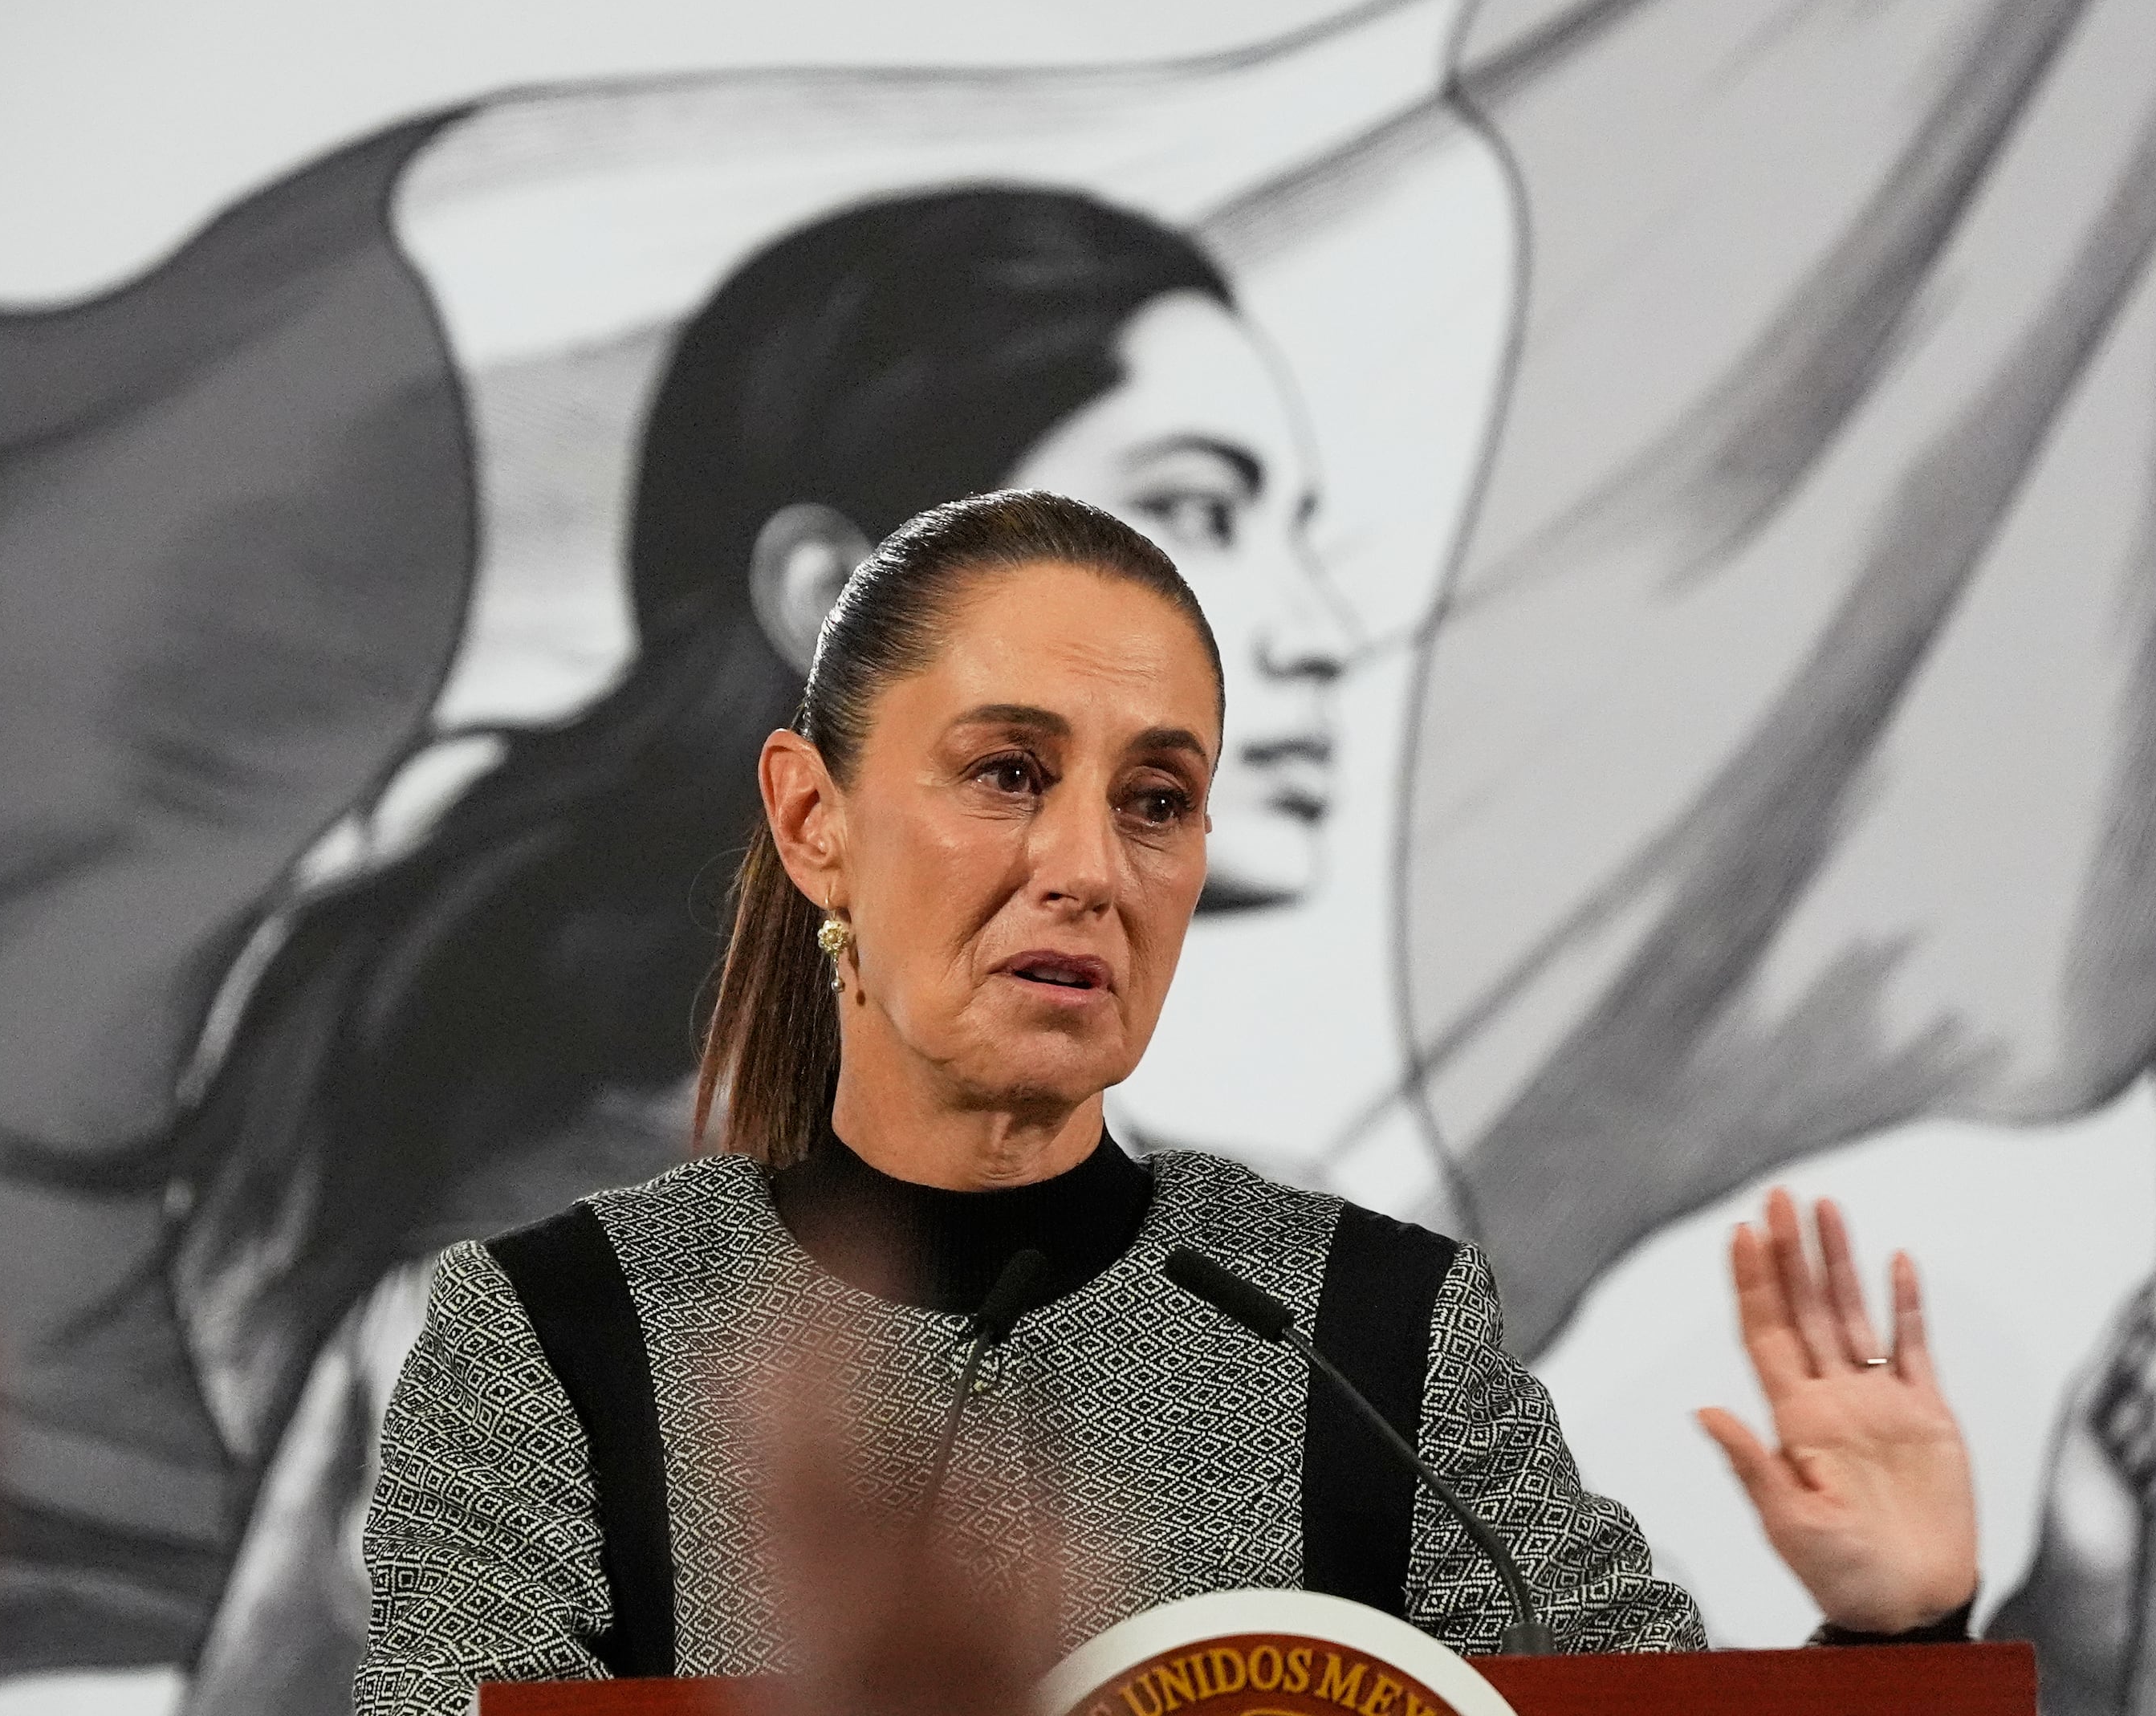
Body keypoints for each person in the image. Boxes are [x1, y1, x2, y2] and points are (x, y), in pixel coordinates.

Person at [351, 490, 1982, 1710]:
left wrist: (1896, 1635)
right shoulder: (555, 1338)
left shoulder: (1367, 1330)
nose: (1085, 869)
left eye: (1155, 800)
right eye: (1007, 774)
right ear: (814, 819)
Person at [181, 184, 1354, 1707]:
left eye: (1296, 531)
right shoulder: (538, 1326)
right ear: (837, 614)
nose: (1315, 626)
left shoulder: (1297, 1302)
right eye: (1195, 513)